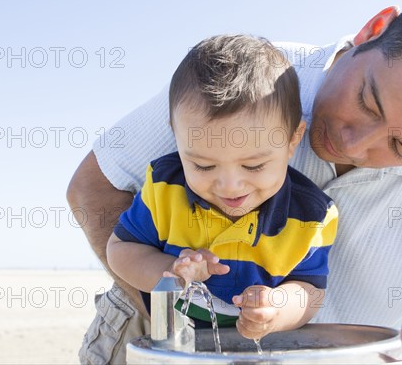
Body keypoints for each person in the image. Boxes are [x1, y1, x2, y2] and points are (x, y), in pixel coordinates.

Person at [67, 0, 402, 364]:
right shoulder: (241, 79)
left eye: (401, 147)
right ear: (372, 29)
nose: (353, 143)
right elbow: (94, 186)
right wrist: (181, 326)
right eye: (366, 101)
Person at [106, 34, 337, 337]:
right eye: (203, 165)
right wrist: (172, 271)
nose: (230, 186)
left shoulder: (311, 216)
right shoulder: (165, 188)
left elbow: (310, 290)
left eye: (254, 165)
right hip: (159, 329)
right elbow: (121, 250)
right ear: (176, 137)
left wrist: (277, 308)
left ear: (293, 140)